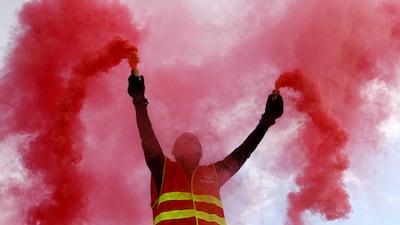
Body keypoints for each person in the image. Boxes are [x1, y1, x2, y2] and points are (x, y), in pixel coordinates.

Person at [127, 69, 283, 225]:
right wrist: (138, 101)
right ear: (174, 152)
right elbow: (148, 141)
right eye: (183, 141)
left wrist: (266, 121)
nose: (188, 141)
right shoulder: (164, 171)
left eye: (193, 142)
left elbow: (242, 153)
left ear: (200, 153)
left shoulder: (213, 174)